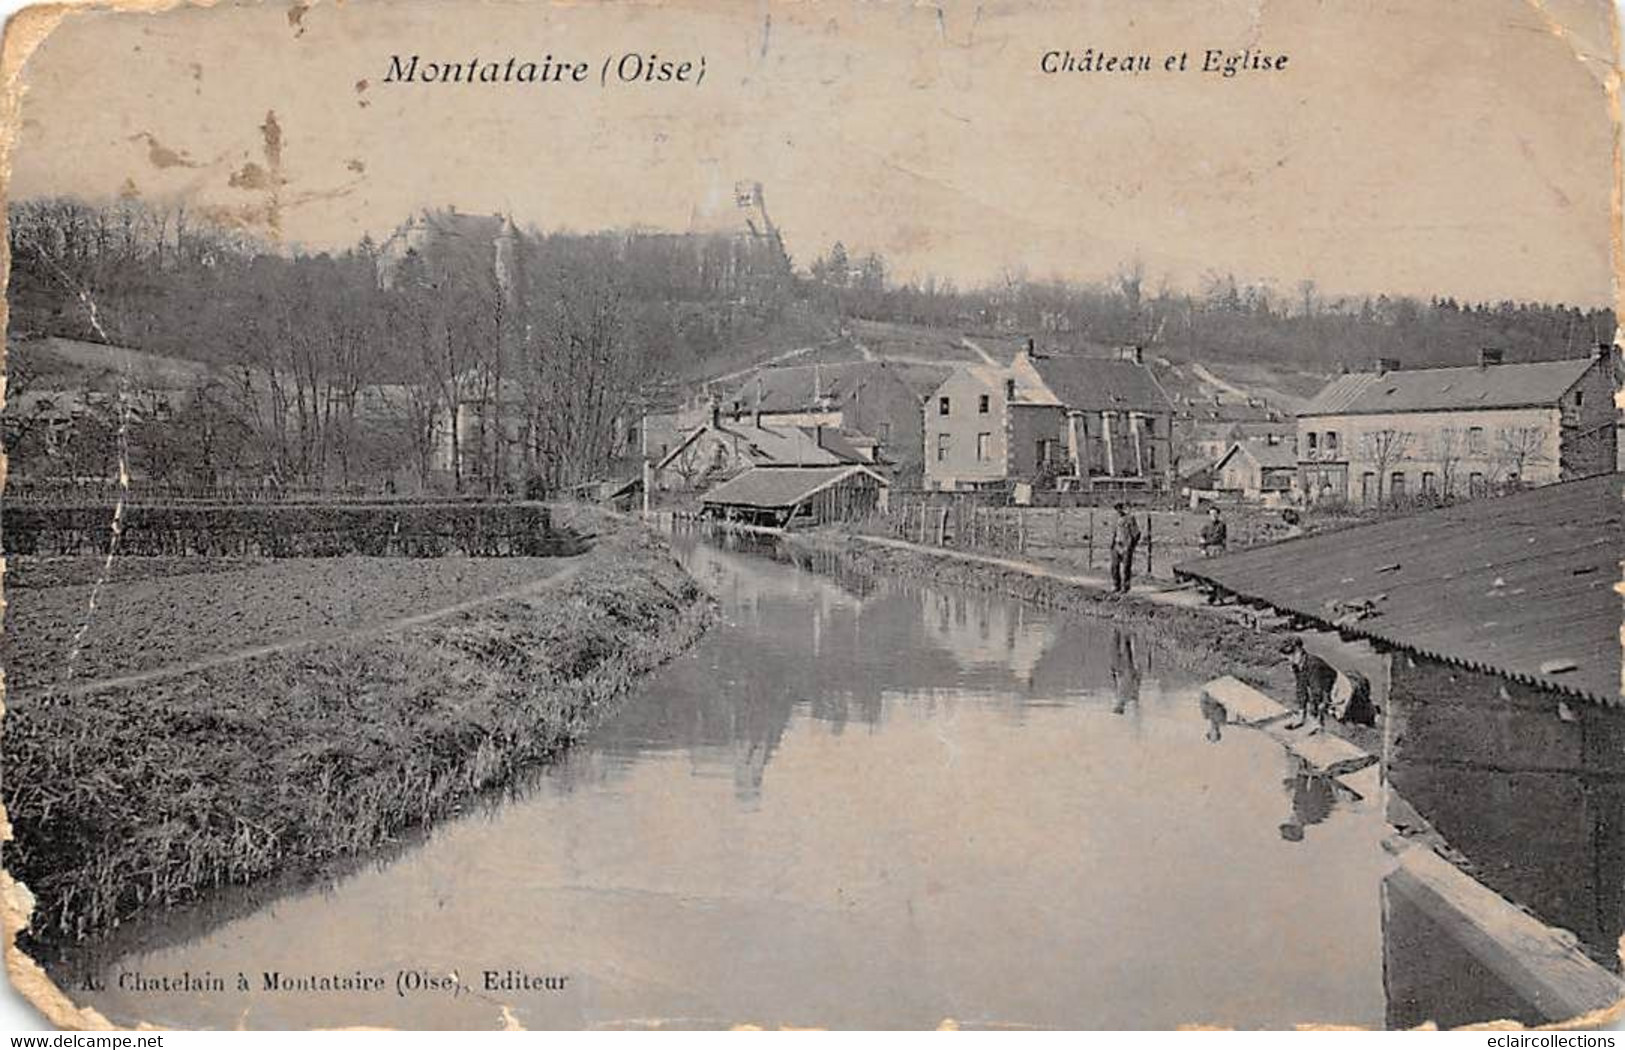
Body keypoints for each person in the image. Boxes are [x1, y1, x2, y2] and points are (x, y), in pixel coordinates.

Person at [1282, 637, 1337, 733]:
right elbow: (1301, 688)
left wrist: (1314, 716)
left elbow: (1317, 691)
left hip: (1336, 686)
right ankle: (1314, 719)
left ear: (1299, 651)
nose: (1288, 660)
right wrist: (1301, 714)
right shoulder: (1297, 664)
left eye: (1289, 656)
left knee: (1334, 711)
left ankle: (1319, 722)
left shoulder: (1313, 664)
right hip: (1322, 687)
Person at [1109, 503, 1141, 594]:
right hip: (1116, 545)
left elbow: (1137, 533)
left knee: (1126, 568)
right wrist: (1112, 544)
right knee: (1114, 567)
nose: (1118, 510)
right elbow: (1114, 532)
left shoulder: (1130, 518)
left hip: (1126, 546)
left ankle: (1125, 587)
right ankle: (1116, 585)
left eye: (1120, 508)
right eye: (1116, 508)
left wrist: (1131, 545)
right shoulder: (1116, 519)